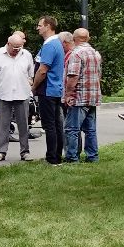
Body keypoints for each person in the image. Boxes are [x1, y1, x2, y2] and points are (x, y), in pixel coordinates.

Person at [0, 31, 37, 162]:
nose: (17, 50)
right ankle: (1, 151)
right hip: (2, 94)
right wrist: (0, 83)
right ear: (8, 44)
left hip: (22, 93)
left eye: (19, 48)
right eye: (14, 48)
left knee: (24, 124)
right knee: (3, 124)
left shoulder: (27, 55)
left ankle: (25, 151)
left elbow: (31, 74)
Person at [63, 27, 103, 163]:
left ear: (74, 39)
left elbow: (73, 76)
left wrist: (68, 94)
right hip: (93, 97)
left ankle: (72, 157)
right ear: (88, 38)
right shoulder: (95, 54)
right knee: (90, 129)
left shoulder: (76, 54)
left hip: (79, 97)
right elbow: (99, 74)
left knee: (72, 129)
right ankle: (93, 156)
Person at [33, 16, 67, 165]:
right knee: (57, 124)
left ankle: (52, 158)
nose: (38, 28)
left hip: (47, 89)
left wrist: (34, 86)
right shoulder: (57, 43)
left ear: (48, 26)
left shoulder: (49, 45)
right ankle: (57, 156)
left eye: (40, 25)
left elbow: (42, 70)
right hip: (56, 89)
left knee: (50, 125)